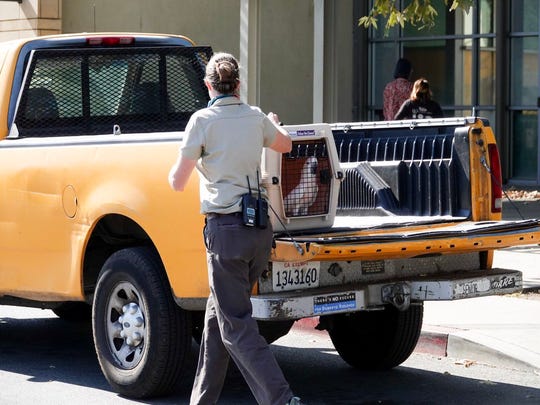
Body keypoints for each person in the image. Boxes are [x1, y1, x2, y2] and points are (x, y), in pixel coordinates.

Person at [168, 52, 303, 405]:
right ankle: (202, 400)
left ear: (208, 85)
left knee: (236, 325)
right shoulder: (256, 117)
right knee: (219, 319)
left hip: (225, 235)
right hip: (258, 234)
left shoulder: (201, 121)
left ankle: (281, 398)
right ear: (239, 84)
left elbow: (176, 182)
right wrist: (274, 122)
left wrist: (193, 158)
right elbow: (285, 144)